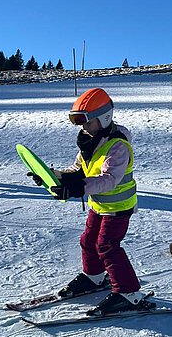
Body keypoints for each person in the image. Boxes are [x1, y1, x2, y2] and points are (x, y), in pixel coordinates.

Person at [37, 88, 147, 315]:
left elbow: (110, 180)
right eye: (77, 121)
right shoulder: (89, 142)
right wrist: (54, 175)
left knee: (107, 246)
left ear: (104, 118)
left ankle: (129, 293)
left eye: (86, 121)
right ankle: (95, 277)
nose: (82, 127)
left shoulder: (117, 145)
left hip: (118, 206)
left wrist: (79, 188)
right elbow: (77, 170)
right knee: (88, 241)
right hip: (99, 205)